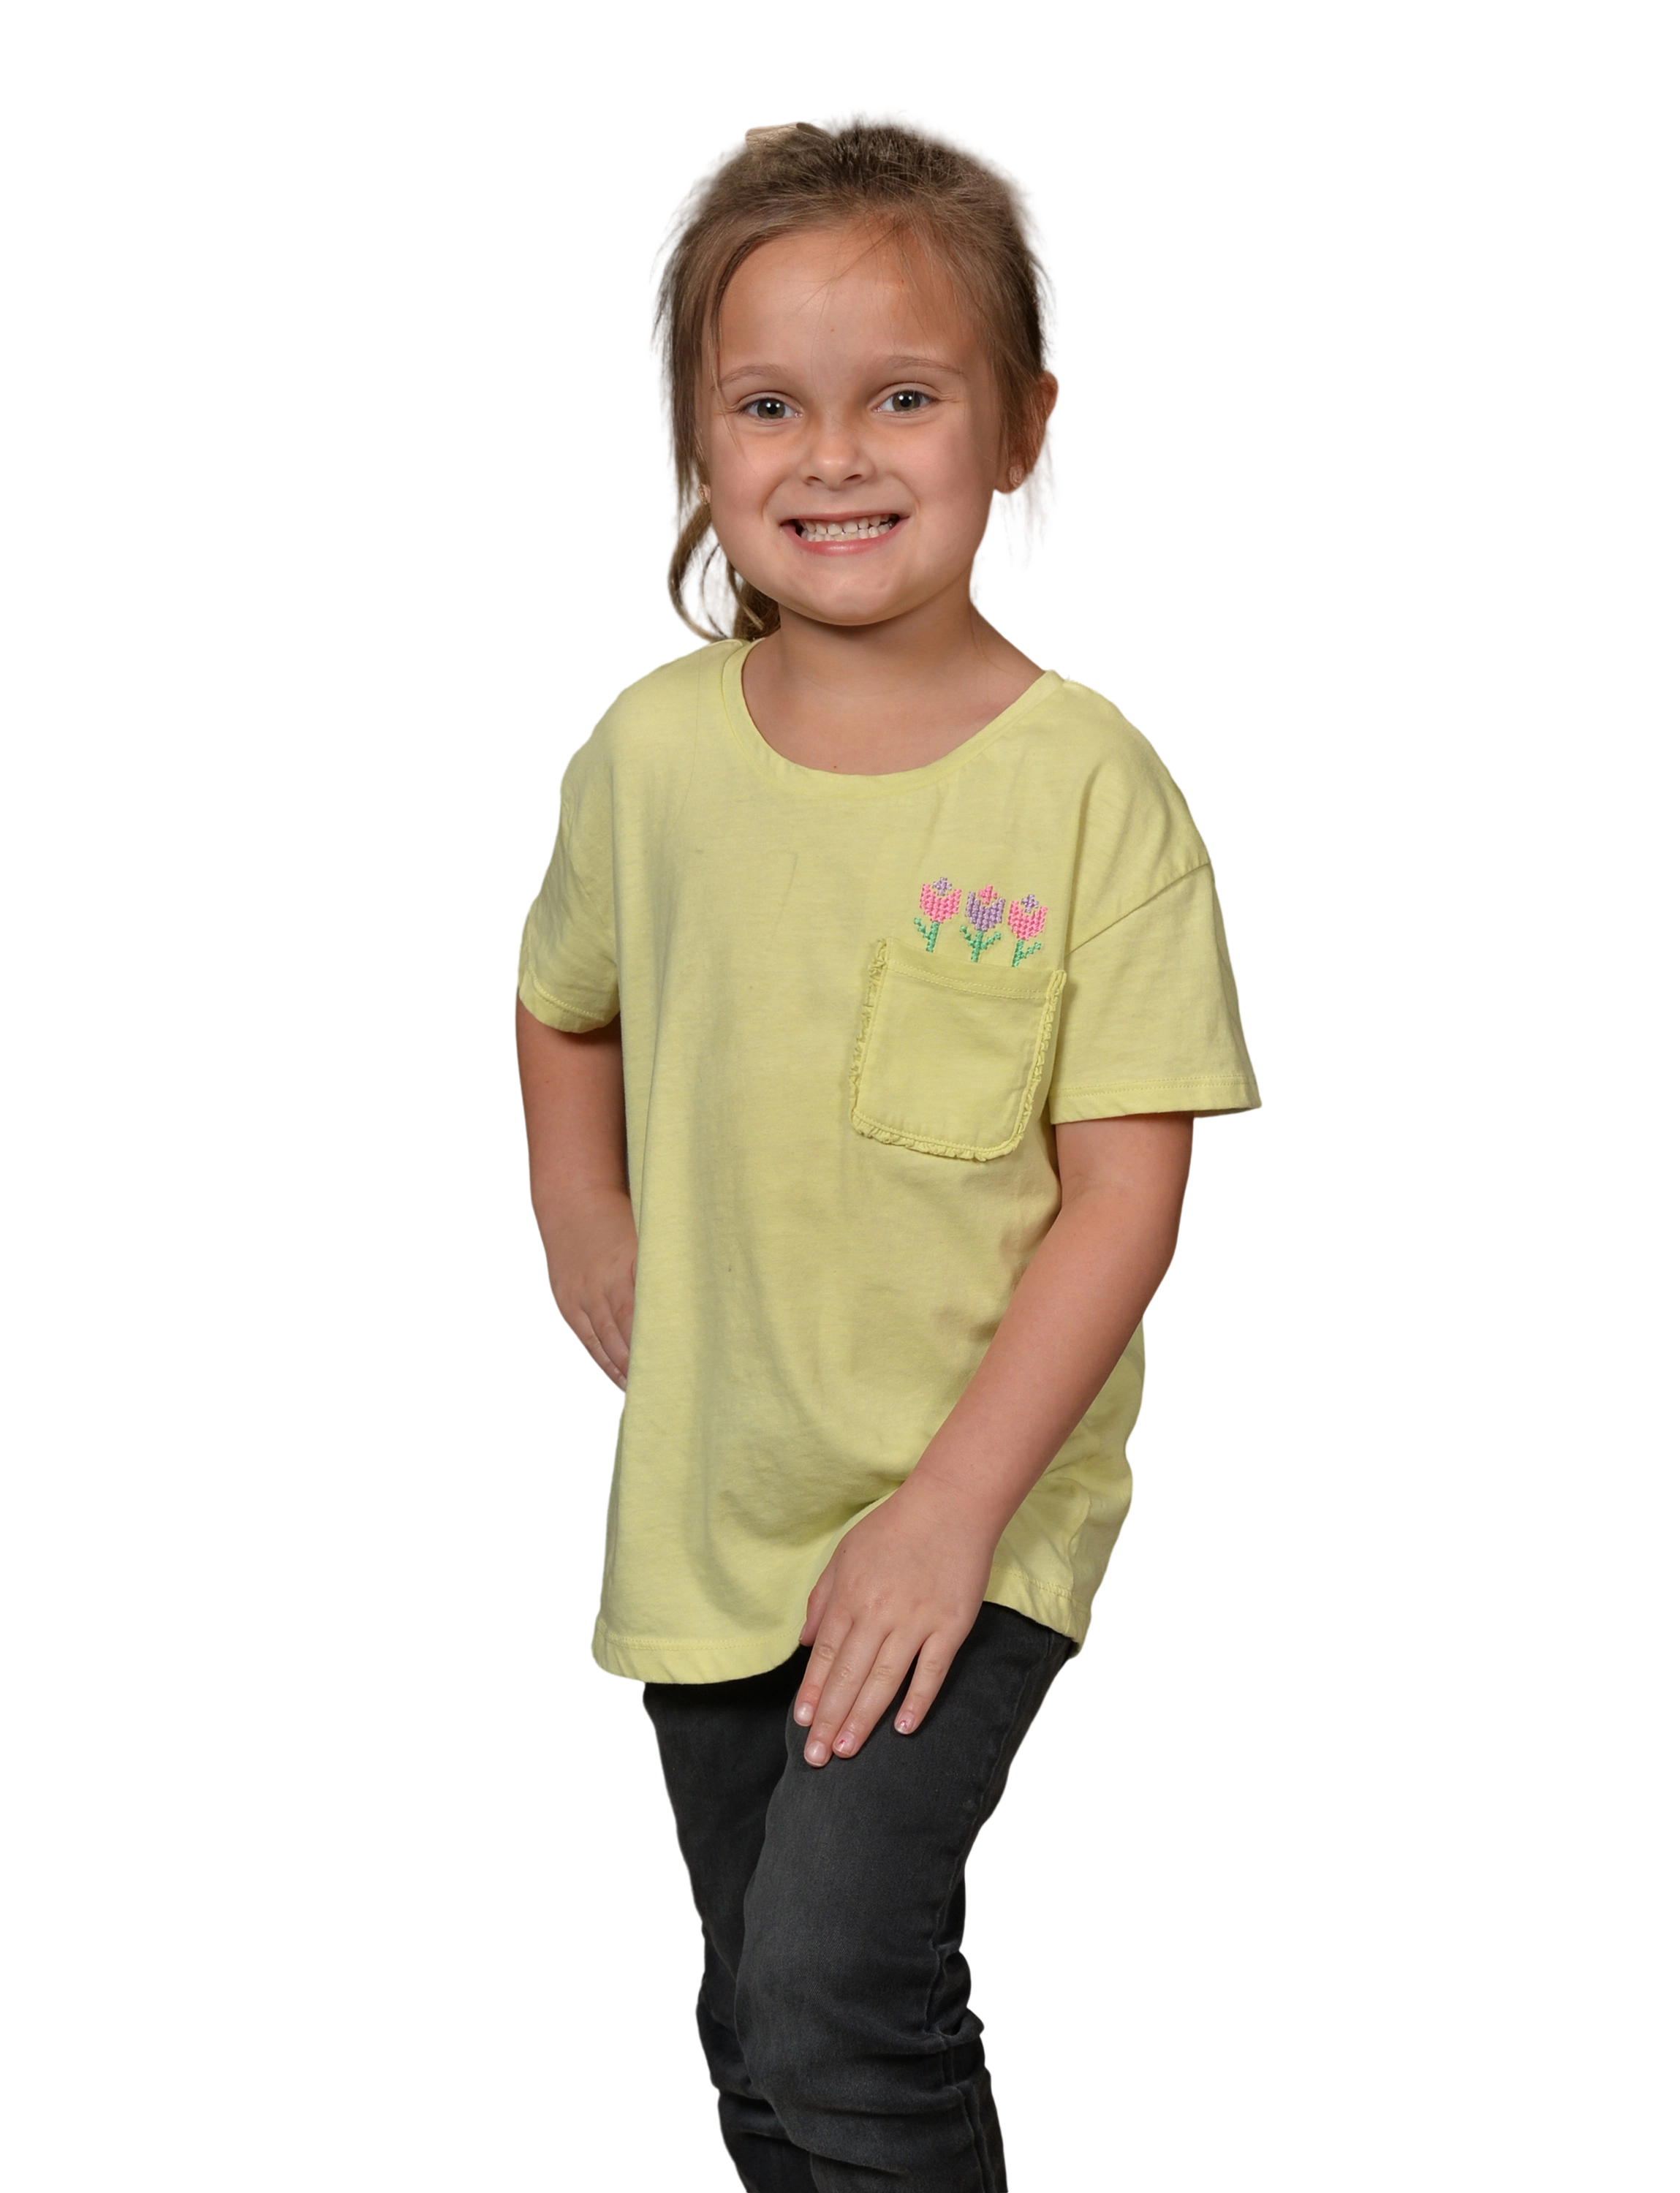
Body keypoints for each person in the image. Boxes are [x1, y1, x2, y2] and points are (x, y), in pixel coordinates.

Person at [512, 105, 1263, 2193]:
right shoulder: (648, 753)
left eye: (903, 397)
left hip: (969, 1509)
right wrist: (581, 1206)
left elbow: (1126, 1195)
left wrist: (945, 1514)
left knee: (842, 1985)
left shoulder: (1093, 796)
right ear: (697, 445)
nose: (831, 456)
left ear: (1022, 433)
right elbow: (560, 995)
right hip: (714, 1499)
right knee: (755, 2013)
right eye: (769, 402)